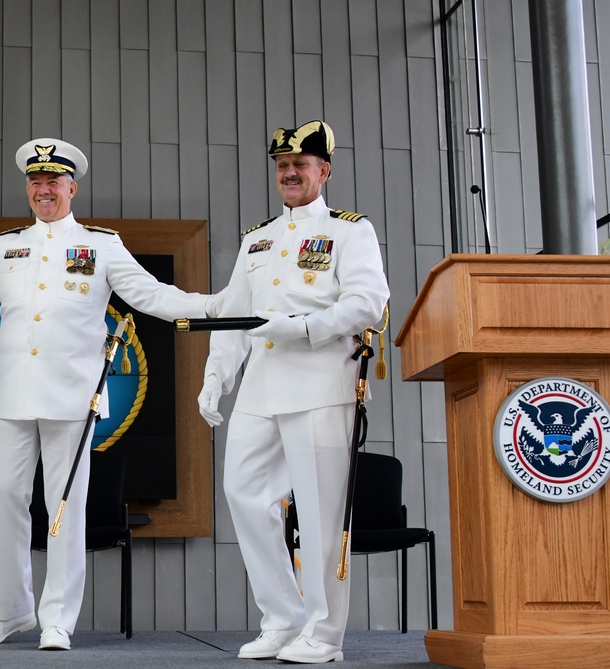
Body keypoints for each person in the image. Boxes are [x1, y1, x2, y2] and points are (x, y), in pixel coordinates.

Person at [0, 138, 222, 651]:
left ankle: (57, 618)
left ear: (71, 188)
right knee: (6, 498)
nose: (44, 190)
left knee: (65, 504)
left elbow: (149, 294)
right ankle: (10, 611)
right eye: (36, 182)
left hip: (71, 397)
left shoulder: (101, 245)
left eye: (53, 182)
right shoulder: (6, 245)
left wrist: (210, 305)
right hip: (9, 398)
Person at [198, 121, 389, 663]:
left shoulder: (350, 232)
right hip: (261, 388)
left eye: (299, 165)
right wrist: (216, 378)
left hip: (321, 385)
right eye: (282, 166)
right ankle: (283, 619)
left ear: (322, 171)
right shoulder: (257, 239)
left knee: (321, 514)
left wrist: (303, 328)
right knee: (244, 494)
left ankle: (325, 636)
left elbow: (367, 303)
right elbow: (235, 316)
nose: (289, 173)